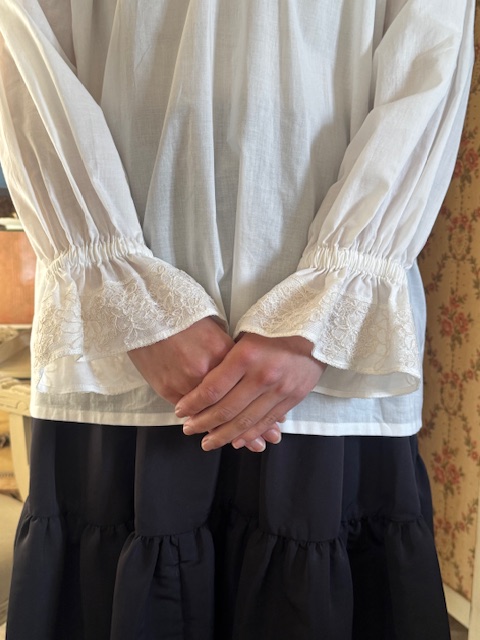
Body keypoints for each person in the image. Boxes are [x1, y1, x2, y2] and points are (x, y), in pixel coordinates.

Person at [0, 0, 474, 638]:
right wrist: (126, 296)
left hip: (322, 368)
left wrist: (321, 311)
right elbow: (22, 45)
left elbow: (429, 62)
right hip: (126, 358)